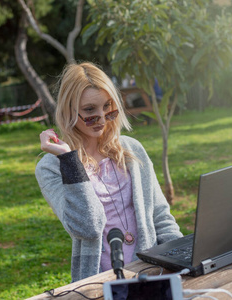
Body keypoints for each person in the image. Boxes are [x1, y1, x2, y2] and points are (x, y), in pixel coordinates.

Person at [35, 62, 183, 282]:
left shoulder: (131, 150)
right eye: (89, 111)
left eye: (108, 107)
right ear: (68, 110)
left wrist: (182, 259)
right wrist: (70, 161)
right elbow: (88, 227)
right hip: (100, 281)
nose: (102, 119)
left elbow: (160, 216)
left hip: (153, 271)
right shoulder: (52, 167)